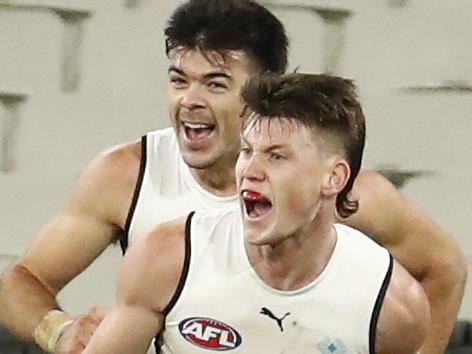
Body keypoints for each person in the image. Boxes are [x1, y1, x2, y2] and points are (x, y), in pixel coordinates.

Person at [0, 0, 464, 353]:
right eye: (179, 80)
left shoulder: (349, 195)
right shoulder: (127, 175)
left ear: (267, 91)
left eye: (215, 84)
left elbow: (443, 267)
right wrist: (59, 332)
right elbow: (22, 280)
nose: (189, 100)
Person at [82, 73, 431, 354]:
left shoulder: (391, 305)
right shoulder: (169, 258)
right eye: (248, 151)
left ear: (333, 177)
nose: (250, 170)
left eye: (277, 156)